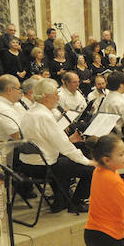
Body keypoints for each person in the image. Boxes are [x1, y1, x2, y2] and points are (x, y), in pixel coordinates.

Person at [18, 78, 95, 213]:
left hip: (26, 164)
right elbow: (66, 148)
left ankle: (61, 200)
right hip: (44, 167)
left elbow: (43, 140)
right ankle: (76, 203)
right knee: (90, 171)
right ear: (47, 97)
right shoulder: (44, 116)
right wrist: (88, 162)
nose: (58, 97)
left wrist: (68, 140)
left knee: (64, 162)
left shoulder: (30, 112)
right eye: (56, 94)